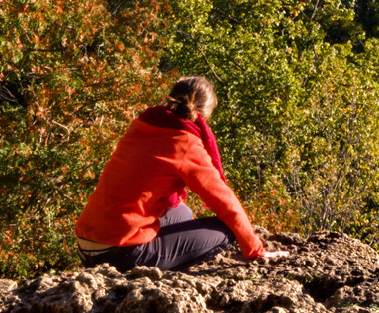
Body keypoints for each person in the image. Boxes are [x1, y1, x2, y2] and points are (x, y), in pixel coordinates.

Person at [73, 76, 289, 271]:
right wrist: (255, 250)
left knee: (182, 213)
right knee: (226, 230)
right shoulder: (186, 142)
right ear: (204, 115)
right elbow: (225, 202)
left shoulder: (143, 123)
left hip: (86, 245)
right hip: (122, 255)